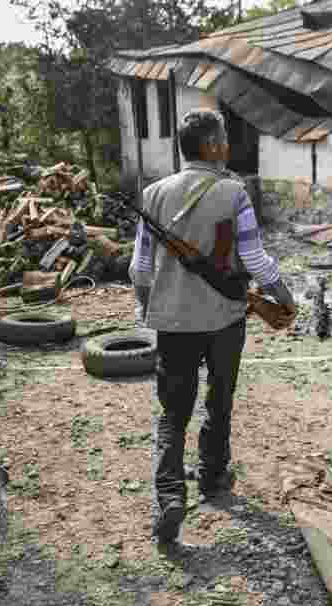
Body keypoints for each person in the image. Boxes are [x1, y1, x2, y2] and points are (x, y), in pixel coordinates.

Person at [129, 108, 297, 547]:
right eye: (223, 137)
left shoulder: (153, 194)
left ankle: (169, 497)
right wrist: (282, 295)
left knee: (172, 414)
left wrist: (150, 311)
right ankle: (212, 478)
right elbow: (256, 259)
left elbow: (140, 269)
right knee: (219, 400)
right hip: (224, 320)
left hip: (173, 325)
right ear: (212, 146)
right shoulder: (233, 192)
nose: (228, 144)